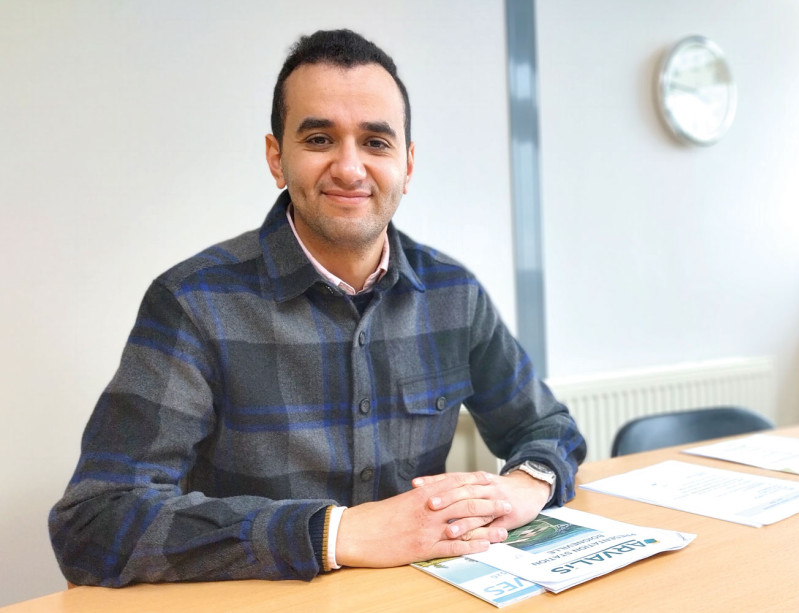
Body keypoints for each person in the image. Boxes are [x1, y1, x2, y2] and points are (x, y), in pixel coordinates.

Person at [49, 28, 586, 586]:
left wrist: (524, 486)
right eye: (320, 139)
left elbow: (548, 426)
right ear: (277, 158)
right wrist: (336, 533)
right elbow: (94, 521)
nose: (351, 169)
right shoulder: (192, 303)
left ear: (407, 163)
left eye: (376, 143)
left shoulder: (453, 293)